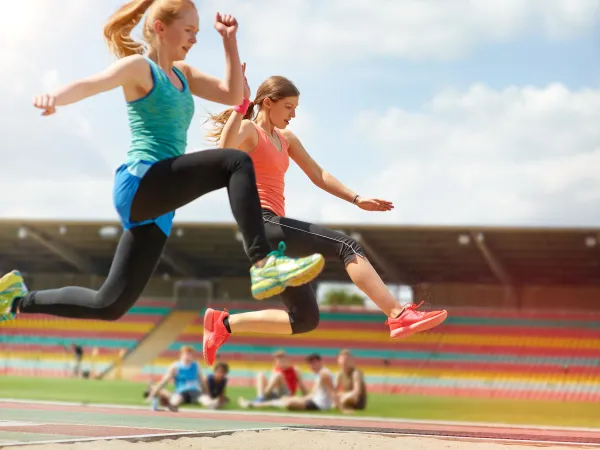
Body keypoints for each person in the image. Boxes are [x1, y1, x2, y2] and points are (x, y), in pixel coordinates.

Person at [0, 0, 326, 324]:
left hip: (160, 204)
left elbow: (231, 95)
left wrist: (229, 41)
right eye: (188, 30)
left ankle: (16, 298)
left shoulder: (183, 74)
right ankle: (263, 263)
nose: (195, 39)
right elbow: (93, 83)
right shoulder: (140, 68)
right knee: (236, 162)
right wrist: (54, 98)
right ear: (160, 28)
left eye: (197, 32)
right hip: (141, 181)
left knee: (109, 304)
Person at [201, 67, 448, 363]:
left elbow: (318, 174)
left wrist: (356, 198)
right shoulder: (248, 131)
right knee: (345, 245)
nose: (293, 114)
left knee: (304, 319)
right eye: (288, 107)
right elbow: (222, 150)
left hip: (275, 234)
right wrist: (239, 107)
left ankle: (223, 325)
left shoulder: (285, 138)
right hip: (262, 224)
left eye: (295, 108)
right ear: (268, 102)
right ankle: (397, 314)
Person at [238, 353, 343, 412]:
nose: (312, 365)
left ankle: (254, 403)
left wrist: (341, 408)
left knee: (288, 403)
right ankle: (253, 404)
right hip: (316, 402)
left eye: (314, 362)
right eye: (310, 363)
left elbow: (332, 391)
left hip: (319, 405)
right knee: (284, 400)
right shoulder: (321, 374)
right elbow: (314, 394)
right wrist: (300, 398)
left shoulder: (324, 373)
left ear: (320, 362)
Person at [147, 346, 205, 411]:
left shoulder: (196, 365)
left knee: (206, 401)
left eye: (190, 354)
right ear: (181, 355)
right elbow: (164, 381)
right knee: (174, 401)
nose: (188, 356)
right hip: (181, 392)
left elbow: (202, 380)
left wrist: (207, 393)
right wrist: (153, 394)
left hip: (194, 391)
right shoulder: (175, 367)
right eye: (186, 354)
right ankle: (168, 404)